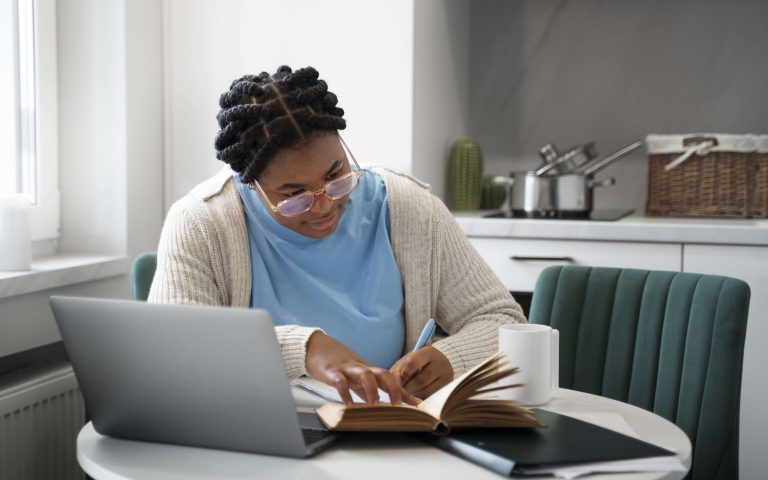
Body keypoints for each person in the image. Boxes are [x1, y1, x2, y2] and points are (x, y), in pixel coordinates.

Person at [148, 65, 525, 406]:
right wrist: (305, 349)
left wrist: (451, 357)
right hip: (258, 439)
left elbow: (502, 319)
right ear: (250, 183)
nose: (324, 206)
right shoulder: (201, 221)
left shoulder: (407, 207)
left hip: (385, 436)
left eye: (336, 176)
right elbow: (174, 348)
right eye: (294, 196)